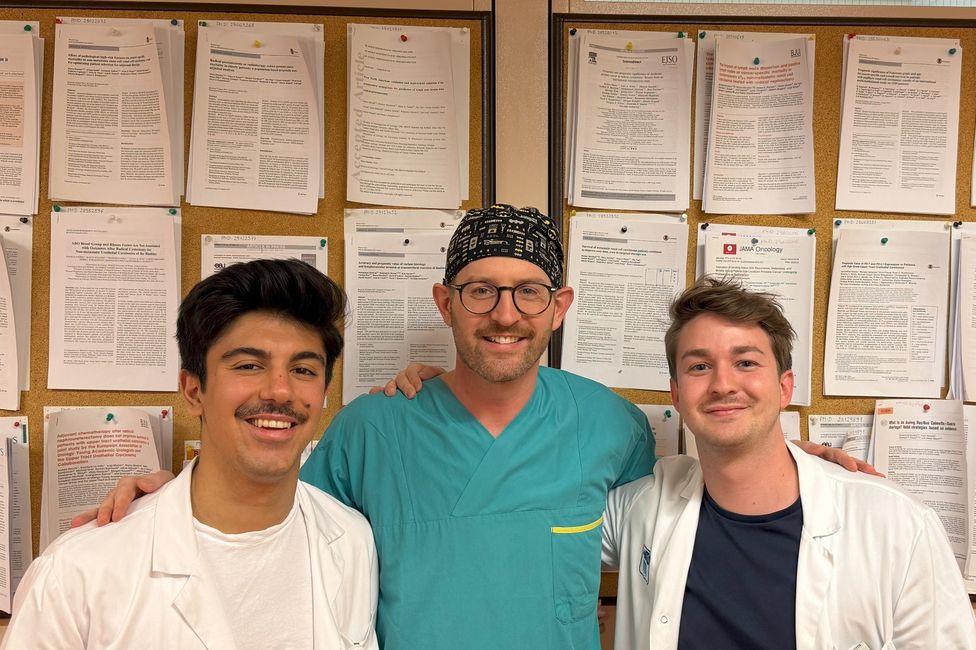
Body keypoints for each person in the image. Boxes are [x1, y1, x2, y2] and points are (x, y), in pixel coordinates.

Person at [78, 206, 867, 650]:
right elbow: (270, 525)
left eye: (529, 292)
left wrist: (792, 462)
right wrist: (170, 498)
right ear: (445, 302)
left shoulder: (611, 426)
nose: (504, 314)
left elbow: (688, 517)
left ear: (559, 307)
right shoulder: (371, 428)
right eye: (480, 290)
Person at [5, 259, 378, 649]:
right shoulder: (78, 571)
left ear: (323, 393)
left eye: (303, 370)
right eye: (249, 365)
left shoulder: (352, 543)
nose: (280, 391)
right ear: (193, 390)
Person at [601, 277, 976, 649]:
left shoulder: (899, 524)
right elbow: (560, 525)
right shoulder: (641, 508)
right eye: (699, 367)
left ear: (784, 388)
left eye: (746, 362)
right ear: (677, 395)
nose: (722, 384)